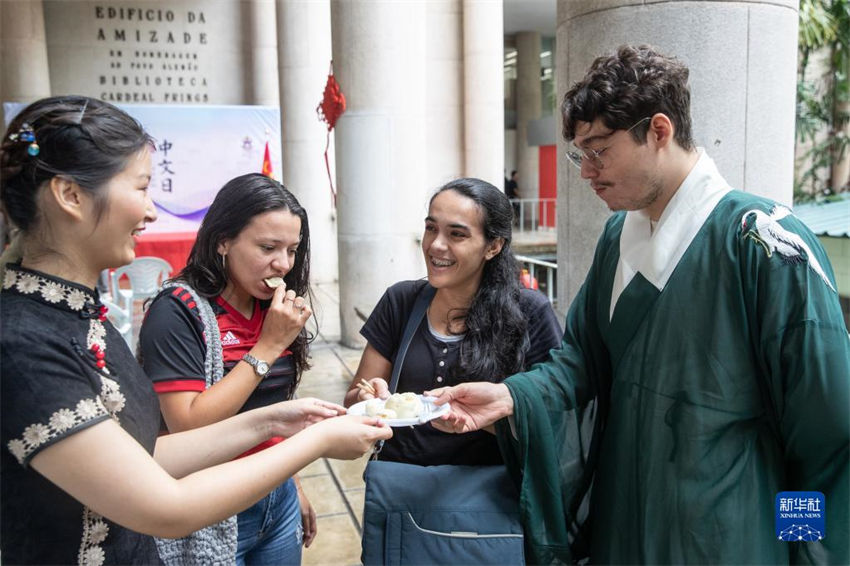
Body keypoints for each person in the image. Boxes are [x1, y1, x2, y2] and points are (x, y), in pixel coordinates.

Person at [428, 45, 850, 565]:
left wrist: (802, 548)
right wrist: (511, 397)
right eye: (580, 153)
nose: (586, 171)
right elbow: (580, 360)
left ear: (659, 130)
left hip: (731, 531)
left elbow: (828, 435)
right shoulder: (617, 237)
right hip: (626, 516)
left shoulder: (764, 243)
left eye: (599, 149)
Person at [0, 95, 392, 566]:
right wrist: (317, 441)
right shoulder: (22, 344)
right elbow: (165, 504)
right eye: (142, 188)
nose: (150, 212)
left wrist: (275, 422)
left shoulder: (78, 315)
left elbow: (143, 457)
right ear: (71, 196)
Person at [138, 173, 319, 565]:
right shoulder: (178, 311)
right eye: (268, 247)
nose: (283, 264)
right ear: (223, 241)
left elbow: (276, 405)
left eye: (292, 249)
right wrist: (268, 347)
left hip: (276, 494)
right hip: (212, 501)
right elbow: (188, 425)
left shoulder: (271, 308)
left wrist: (294, 482)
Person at [344, 177, 562, 466]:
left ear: (493, 246)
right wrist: (368, 396)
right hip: (400, 489)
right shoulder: (401, 301)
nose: (435, 245)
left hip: (489, 496)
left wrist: (482, 417)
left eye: (457, 234)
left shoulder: (530, 311)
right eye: (431, 228)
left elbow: (553, 418)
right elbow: (353, 402)